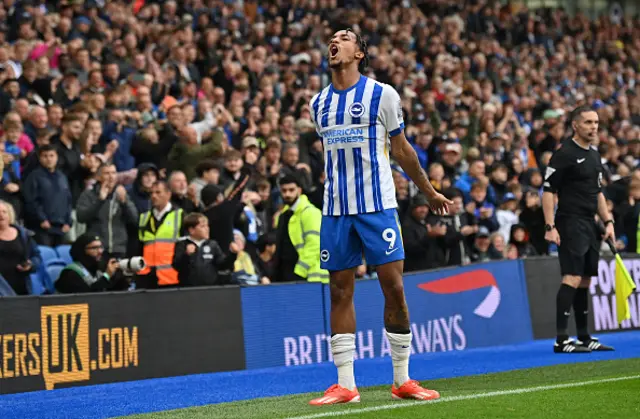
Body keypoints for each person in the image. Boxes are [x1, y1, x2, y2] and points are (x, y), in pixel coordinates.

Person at [308, 29, 452, 405]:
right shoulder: (317, 103)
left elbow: (401, 150)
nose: (334, 42)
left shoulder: (382, 94)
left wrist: (428, 190)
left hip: (378, 207)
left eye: (345, 37)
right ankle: (345, 385)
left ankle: (402, 379)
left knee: (394, 287)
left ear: (359, 53)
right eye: (333, 38)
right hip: (336, 210)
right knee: (339, 290)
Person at [543, 105, 615, 353]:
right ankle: (561, 340)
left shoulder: (594, 155)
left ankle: (584, 336)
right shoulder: (564, 154)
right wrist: (550, 225)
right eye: (588, 122)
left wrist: (608, 222)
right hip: (570, 221)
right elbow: (548, 191)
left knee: (584, 280)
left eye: (595, 122)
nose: (593, 127)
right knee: (571, 277)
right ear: (576, 125)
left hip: (590, 223)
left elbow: (598, 193)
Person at [76, 163, 139, 259]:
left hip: (118, 249)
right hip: (97, 250)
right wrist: (100, 201)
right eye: (107, 173)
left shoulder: (121, 194)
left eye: (113, 173)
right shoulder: (89, 195)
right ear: (99, 177)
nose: (111, 177)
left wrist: (124, 202)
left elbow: (135, 220)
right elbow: (81, 217)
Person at [273, 175, 328, 283]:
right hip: (286, 274)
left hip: (307, 275)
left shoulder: (310, 212)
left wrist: (300, 270)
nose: (287, 194)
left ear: (299, 190)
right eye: (284, 190)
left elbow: (315, 244)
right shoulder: (283, 216)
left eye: (291, 190)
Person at [22, 145, 73, 247]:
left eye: (51, 155)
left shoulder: (62, 176)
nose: (49, 159)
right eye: (45, 156)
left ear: (57, 157)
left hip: (61, 226)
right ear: (40, 158)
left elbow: (68, 200)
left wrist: (68, 222)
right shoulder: (34, 176)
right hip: (42, 227)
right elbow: (31, 201)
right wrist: (41, 219)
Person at [136, 180, 183, 289]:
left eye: (158, 192)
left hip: (172, 278)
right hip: (148, 279)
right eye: (151, 193)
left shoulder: (179, 215)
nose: (154, 196)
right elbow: (140, 247)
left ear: (168, 194)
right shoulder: (144, 218)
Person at [172, 213, 238, 287]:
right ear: (192, 230)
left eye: (207, 225)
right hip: (188, 289)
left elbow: (222, 265)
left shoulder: (212, 244)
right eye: (202, 226)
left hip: (210, 288)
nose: (207, 229)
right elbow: (176, 265)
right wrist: (186, 255)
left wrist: (233, 254)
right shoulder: (182, 244)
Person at [55, 233, 129, 294]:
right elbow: (89, 297)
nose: (100, 251)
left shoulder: (98, 270)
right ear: (82, 250)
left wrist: (121, 275)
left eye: (101, 247)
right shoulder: (70, 273)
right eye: (94, 248)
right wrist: (107, 276)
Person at [0, 200, 41, 295]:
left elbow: (36, 256)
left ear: (10, 214)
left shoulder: (24, 235)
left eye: (4, 212)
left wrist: (30, 265)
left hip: (22, 286)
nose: (1, 215)